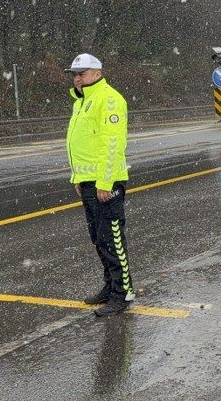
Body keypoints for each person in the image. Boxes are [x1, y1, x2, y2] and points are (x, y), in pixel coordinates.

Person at [65, 53, 134, 316]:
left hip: (106, 183)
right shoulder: (82, 102)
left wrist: (104, 182)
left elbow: (112, 145)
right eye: (74, 73)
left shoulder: (110, 100)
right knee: (98, 238)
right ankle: (110, 286)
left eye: (81, 73)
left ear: (98, 73)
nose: (77, 77)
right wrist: (78, 178)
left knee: (112, 239)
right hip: (88, 182)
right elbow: (82, 145)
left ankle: (122, 293)